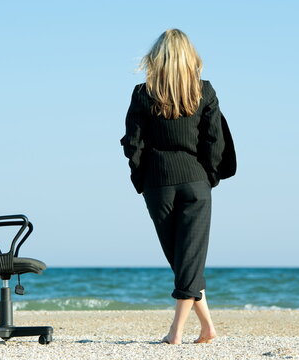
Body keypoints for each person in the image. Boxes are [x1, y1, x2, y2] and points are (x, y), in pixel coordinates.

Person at [121, 29, 228, 344]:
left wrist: (140, 178)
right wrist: (209, 177)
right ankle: (203, 328)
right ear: (189, 57)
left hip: (158, 185)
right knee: (188, 261)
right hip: (196, 183)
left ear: (157, 58)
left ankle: (177, 332)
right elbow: (215, 142)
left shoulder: (143, 93)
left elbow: (133, 144)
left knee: (184, 261)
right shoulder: (204, 92)